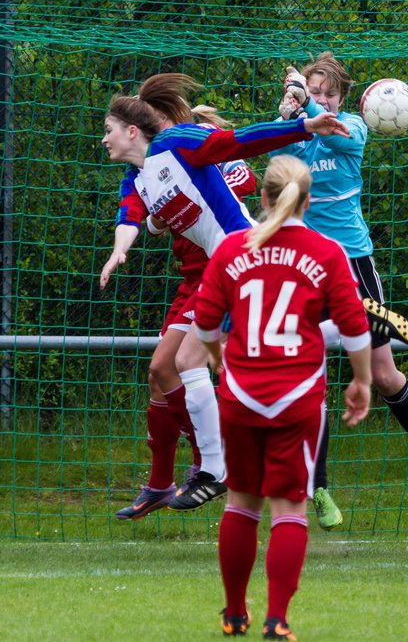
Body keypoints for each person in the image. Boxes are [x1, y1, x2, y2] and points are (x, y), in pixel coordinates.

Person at [100, 74, 351, 514]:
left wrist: (304, 127)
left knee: (207, 362)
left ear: (132, 130)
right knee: (197, 363)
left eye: (108, 130)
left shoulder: (178, 142)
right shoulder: (135, 177)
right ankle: (344, 326)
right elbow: (129, 217)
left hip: (244, 253)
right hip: (223, 267)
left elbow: (240, 141)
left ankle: (219, 468)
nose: (104, 139)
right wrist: (118, 252)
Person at [192, 154, 372, 641]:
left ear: (263, 197)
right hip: (297, 398)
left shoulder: (233, 249)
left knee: (240, 504)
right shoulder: (327, 251)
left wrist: (218, 357)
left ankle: (233, 614)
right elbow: (355, 327)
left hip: (241, 395)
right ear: (307, 201)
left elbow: (206, 324)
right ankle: (276, 620)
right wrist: (362, 383)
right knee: (289, 508)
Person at [273, 53, 408, 530]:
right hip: (304, 265)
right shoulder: (291, 129)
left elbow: (330, 128)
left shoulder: (353, 128)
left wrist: (306, 104)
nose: (324, 101)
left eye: (330, 94)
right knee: (312, 381)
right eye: (317, 92)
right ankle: (321, 489)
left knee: (384, 374)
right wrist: (288, 116)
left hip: (353, 263)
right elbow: (278, 165)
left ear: (343, 99)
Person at [105, 104, 258, 521]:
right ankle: (171, 479)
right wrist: (125, 241)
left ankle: (217, 459)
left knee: (189, 365)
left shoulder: (192, 145)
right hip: (194, 278)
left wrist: (208, 135)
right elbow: (143, 217)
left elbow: (244, 178)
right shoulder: (147, 171)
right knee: (162, 372)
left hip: (224, 266)